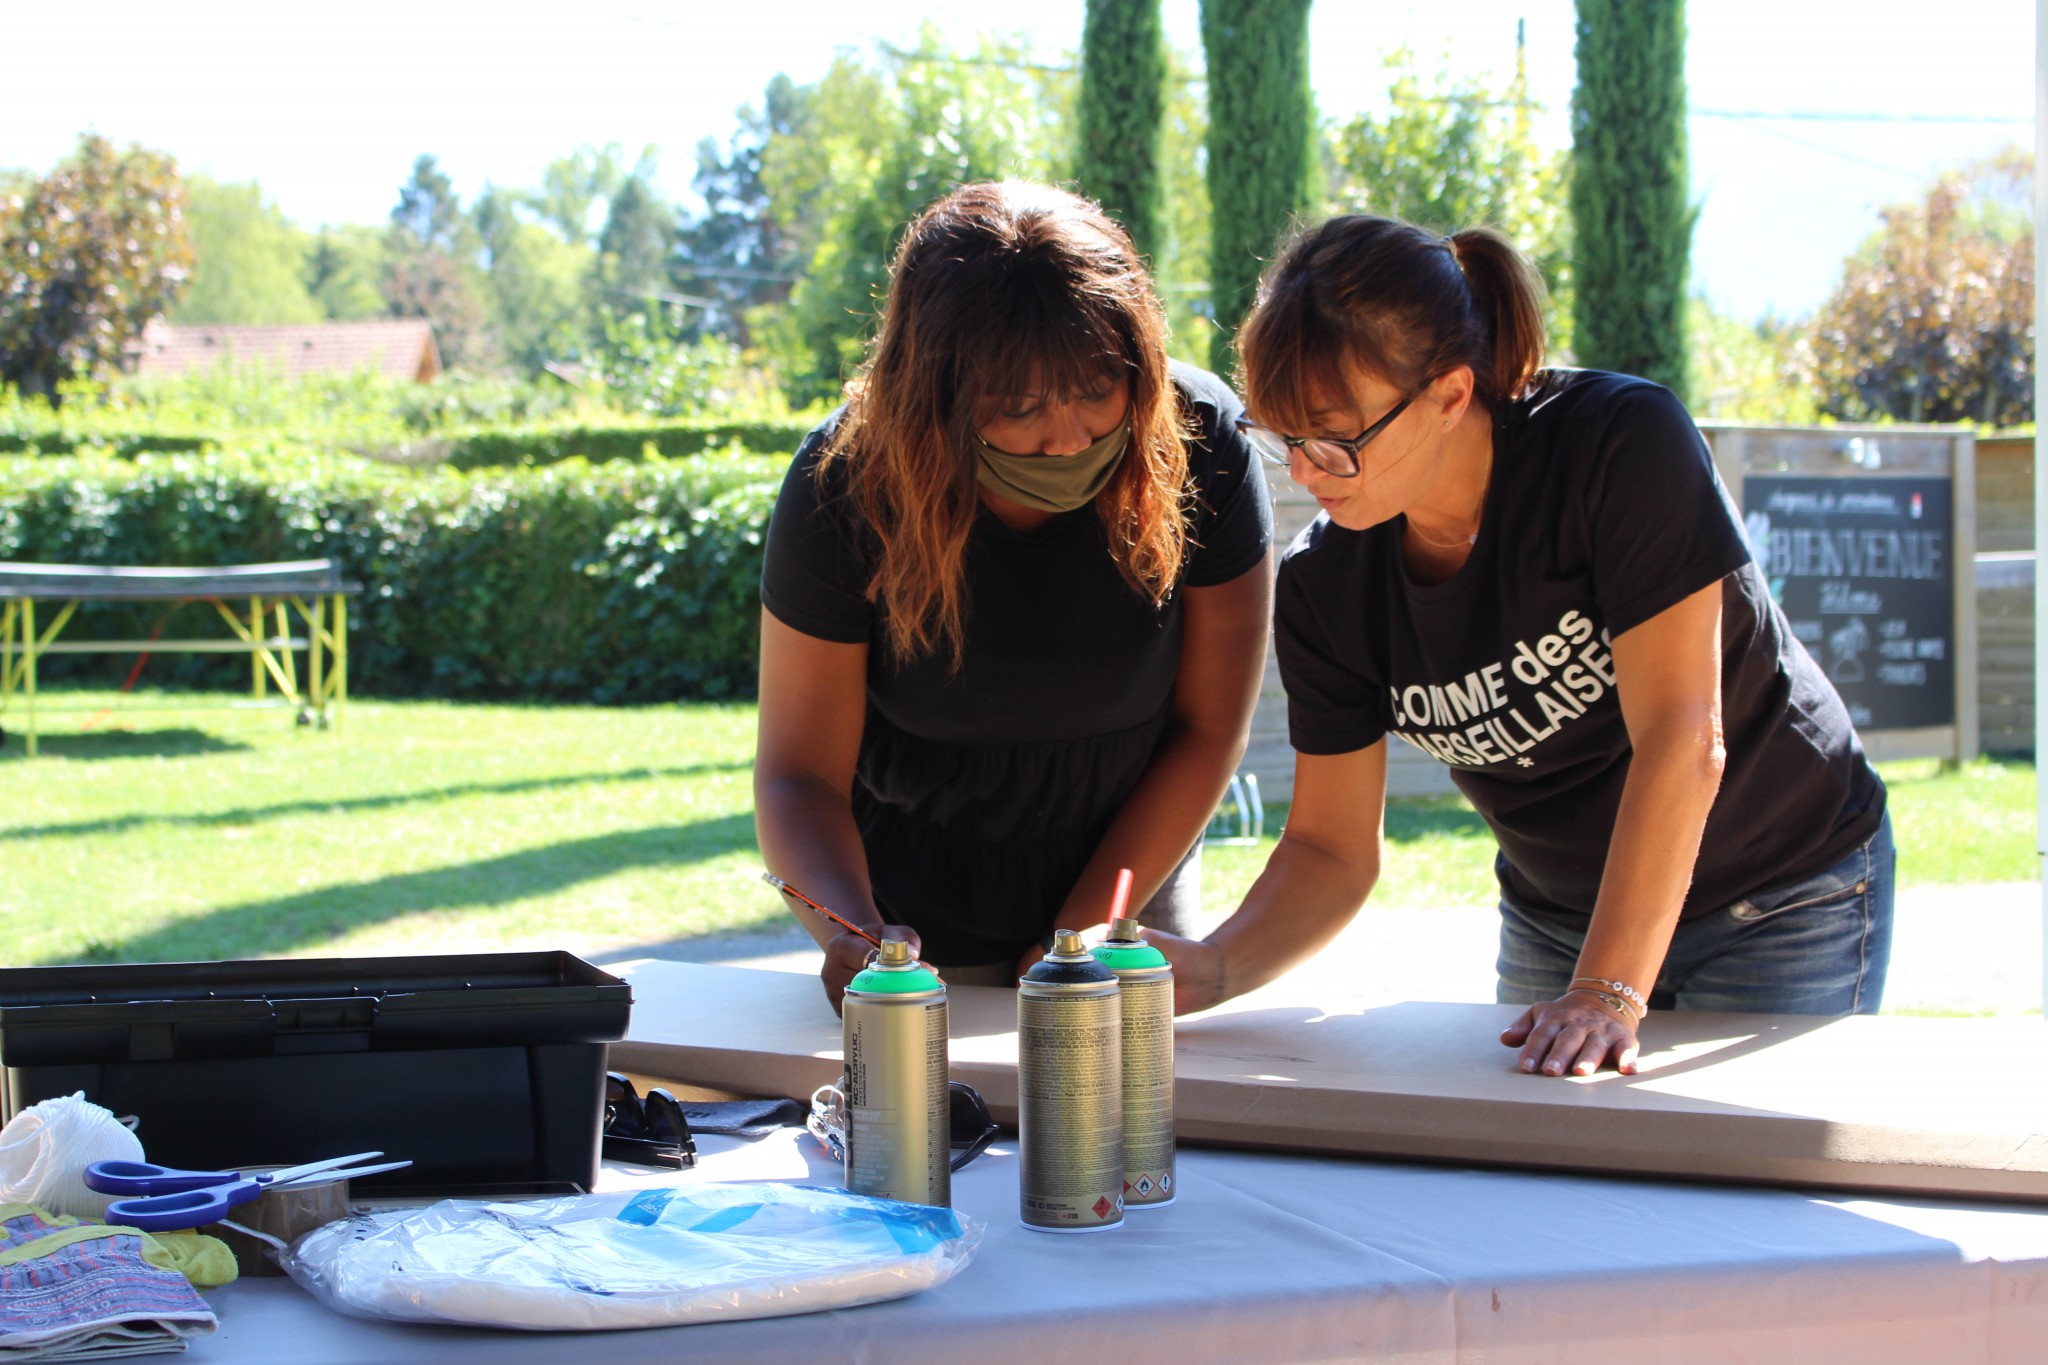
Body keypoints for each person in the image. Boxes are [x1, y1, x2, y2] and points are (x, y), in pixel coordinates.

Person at [1148, 214, 1891, 1078]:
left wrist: (1607, 993)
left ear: (1450, 395)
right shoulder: (1326, 585)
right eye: (1284, 439)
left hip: (1785, 888)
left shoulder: (1617, 447)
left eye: (1335, 439)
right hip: (1559, 914)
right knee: (1552, 1189)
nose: (1308, 473)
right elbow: (1330, 848)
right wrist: (1217, 964)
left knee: (1747, 1186)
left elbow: (1684, 738)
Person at [754, 181, 1274, 1008]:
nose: (1068, 436)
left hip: (1126, 878)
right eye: (1019, 406)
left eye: (1100, 390)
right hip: (909, 917)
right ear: (937, 394)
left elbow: (1209, 730)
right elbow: (798, 775)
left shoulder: (1200, 440)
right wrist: (853, 934)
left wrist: (1079, 936)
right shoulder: (845, 484)